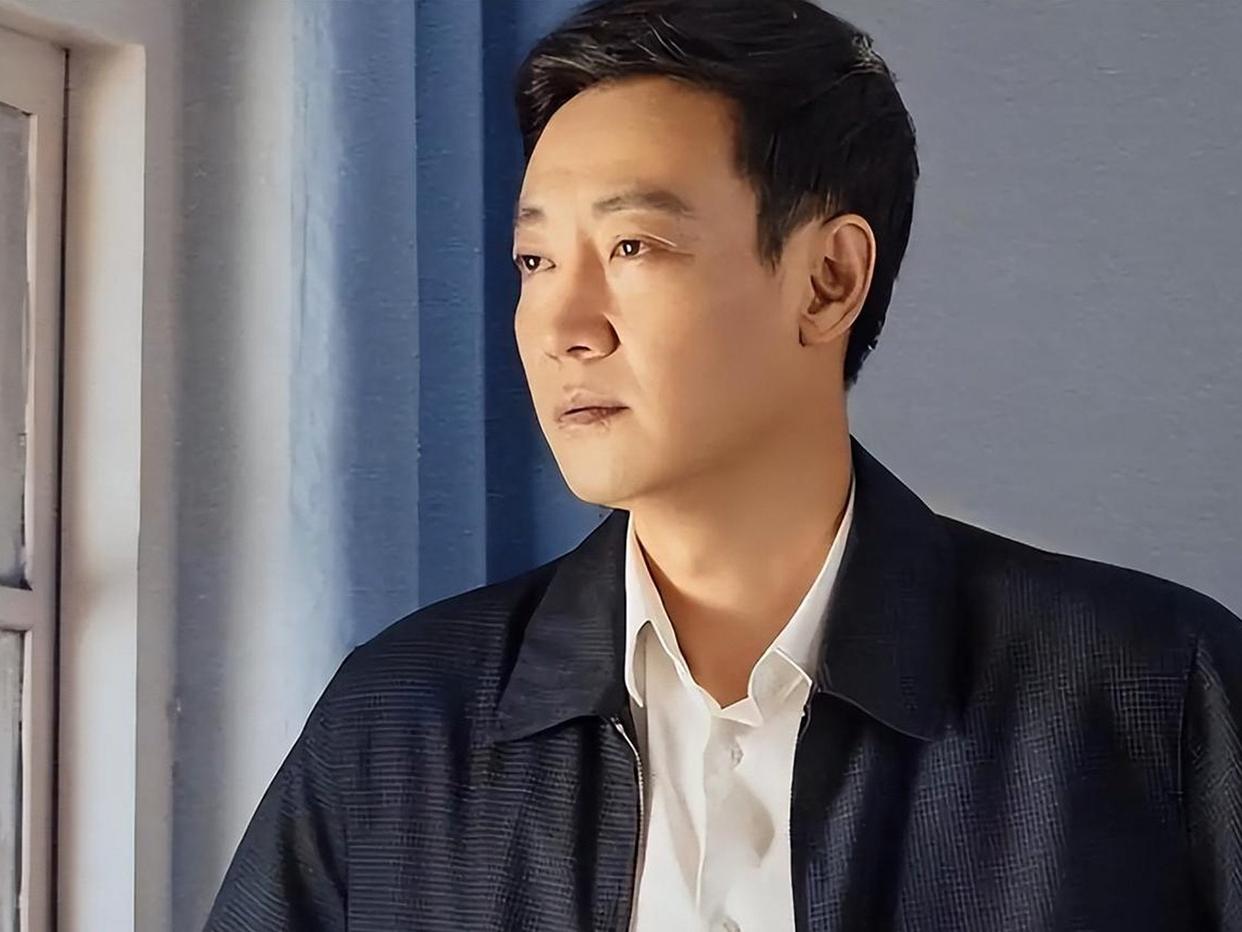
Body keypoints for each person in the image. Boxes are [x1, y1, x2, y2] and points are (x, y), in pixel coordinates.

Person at [204, 1, 1242, 929]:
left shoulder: (1156, 695)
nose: (562, 325)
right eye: (535, 260)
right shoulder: (398, 721)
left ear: (828, 279)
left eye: (634, 247)